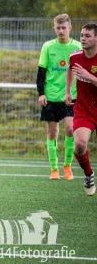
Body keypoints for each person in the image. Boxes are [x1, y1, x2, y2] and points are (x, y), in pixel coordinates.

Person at [37, 14, 81, 180]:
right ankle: (54, 168)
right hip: (51, 96)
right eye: (58, 27)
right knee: (52, 132)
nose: (61, 30)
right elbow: (41, 72)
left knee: (70, 128)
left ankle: (67, 166)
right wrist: (41, 93)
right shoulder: (48, 47)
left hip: (71, 96)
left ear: (70, 28)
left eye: (64, 27)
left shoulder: (77, 47)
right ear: (54, 28)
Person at [65, 23, 97, 196]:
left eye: (87, 36)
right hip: (85, 109)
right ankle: (88, 174)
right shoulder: (75, 56)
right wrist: (68, 90)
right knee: (79, 145)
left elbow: (85, 75)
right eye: (82, 35)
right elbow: (70, 69)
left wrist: (89, 77)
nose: (83, 39)